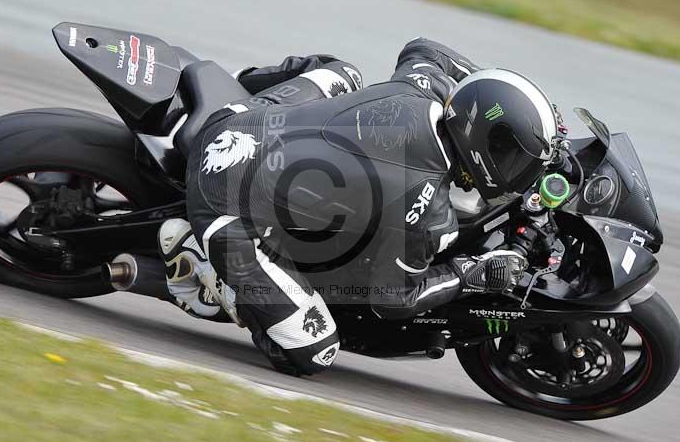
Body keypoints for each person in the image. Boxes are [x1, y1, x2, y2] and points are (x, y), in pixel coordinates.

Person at [158, 38, 557, 376]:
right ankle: (209, 269)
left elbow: (424, 49)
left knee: (341, 71)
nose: (516, 172)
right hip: (223, 206)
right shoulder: (426, 208)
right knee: (314, 351)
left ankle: (239, 85)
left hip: (238, 119)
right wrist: (468, 273)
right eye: (511, 158)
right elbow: (394, 298)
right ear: (482, 146)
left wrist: (481, 86)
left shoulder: (426, 86)